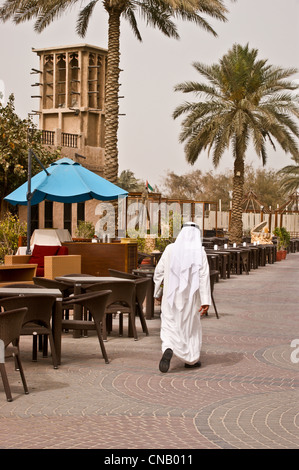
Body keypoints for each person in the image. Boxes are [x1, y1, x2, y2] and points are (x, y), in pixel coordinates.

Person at [153, 222, 211, 373]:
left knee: (169, 325)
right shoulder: (200, 252)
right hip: (190, 299)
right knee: (189, 328)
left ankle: (168, 348)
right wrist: (205, 301)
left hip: (170, 297)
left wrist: (157, 292)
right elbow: (204, 277)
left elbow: (158, 272)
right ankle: (191, 360)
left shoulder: (170, 249)